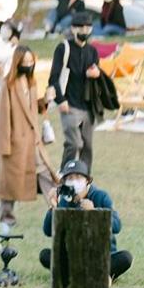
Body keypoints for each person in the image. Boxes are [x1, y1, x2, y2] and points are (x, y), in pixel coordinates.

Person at [38, 160, 132, 281]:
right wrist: (53, 208)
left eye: (78, 177)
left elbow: (117, 226)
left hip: (101, 255)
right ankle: (96, 274)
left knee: (125, 258)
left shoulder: (101, 196)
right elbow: (48, 231)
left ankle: (76, 274)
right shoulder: (65, 200)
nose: (74, 181)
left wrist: (95, 212)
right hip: (73, 254)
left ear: (87, 180)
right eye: (70, 178)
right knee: (46, 255)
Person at [0, 46, 56, 226]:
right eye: (26, 62)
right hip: (15, 143)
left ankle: (57, 209)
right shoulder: (8, 84)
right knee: (10, 185)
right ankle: (5, 220)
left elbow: (32, 109)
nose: (29, 65)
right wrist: (4, 148)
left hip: (33, 141)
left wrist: (45, 100)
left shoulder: (31, 83)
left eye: (31, 62)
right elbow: (3, 117)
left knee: (47, 174)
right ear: (18, 63)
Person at [48, 11, 102, 171]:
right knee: (74, 143)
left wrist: (96, 74)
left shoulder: (92, 51)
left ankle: (84, 180)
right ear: (73, 29)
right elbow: (53, 78)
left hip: (87, 106)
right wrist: (60, 100)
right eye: (81, 28)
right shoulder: (63, 48)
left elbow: (96, 77)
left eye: (88, 27)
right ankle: (65, 175)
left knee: (87, 146)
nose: (85, 31)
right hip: (69, 104)